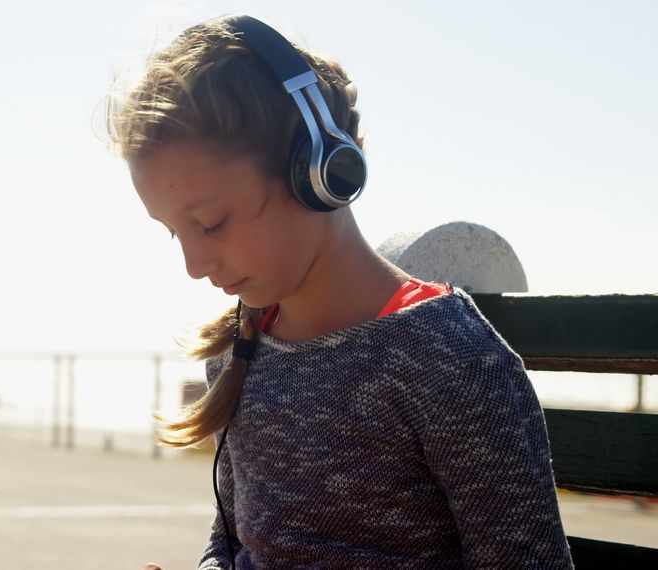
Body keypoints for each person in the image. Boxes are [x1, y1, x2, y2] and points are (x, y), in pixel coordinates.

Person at [107, 14, 573, 570]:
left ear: (320, 173)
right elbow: (233, 542)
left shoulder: (448, 359)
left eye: (211, 223)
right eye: (173, 232)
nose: (193, 264)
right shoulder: (242, 351)